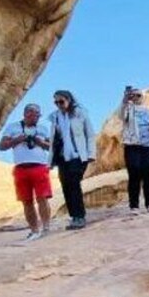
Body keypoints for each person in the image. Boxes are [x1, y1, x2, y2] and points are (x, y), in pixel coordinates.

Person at [0, 104, 53, 240]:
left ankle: (46, 228)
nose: (37, 118)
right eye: (35, 115)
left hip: (40, 166)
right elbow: (2, 146)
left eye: (39, 115)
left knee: (42, 198)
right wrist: (17, 140)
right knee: (26, 201)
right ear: (27, 114)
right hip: (21, 168)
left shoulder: (43, 129)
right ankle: (34, 230)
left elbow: (51, 147)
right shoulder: (13, 127)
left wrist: (40, 142)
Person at [49, 90, 95, 230]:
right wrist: (50, 161)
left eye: (61, 101)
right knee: (65, 186)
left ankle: (80, 216)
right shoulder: (55, 117)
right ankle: (74, 216)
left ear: (69, 100)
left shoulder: (80, 114)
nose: (59, 105)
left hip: (78, 156)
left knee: (74, 184)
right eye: (56, 102)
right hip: (62, 157)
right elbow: (54, 140)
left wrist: (91, 154)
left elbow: (90, 134)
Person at [119, 86, 149, 214]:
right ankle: (134, 206)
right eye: (133, 95)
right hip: (132, 145)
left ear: (143, 97)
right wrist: (125, 100)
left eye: (138, 95)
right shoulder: (128, 109)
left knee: (148, 174)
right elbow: (121, 116)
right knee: (134, 173)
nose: (136, 97)